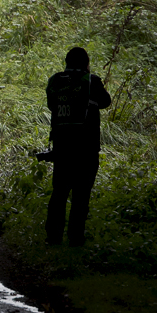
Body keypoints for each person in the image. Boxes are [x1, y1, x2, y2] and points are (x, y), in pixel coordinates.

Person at [45, 47, 111, 246]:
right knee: (81, 195)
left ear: (66, 62)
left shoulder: (55, 81)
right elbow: (106, 102)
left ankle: (53, 237)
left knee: (59, 193)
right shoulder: (91, 81)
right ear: (86, 63)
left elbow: (51, 105)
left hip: (62, 147)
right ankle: (75, 238)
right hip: (86, 149)